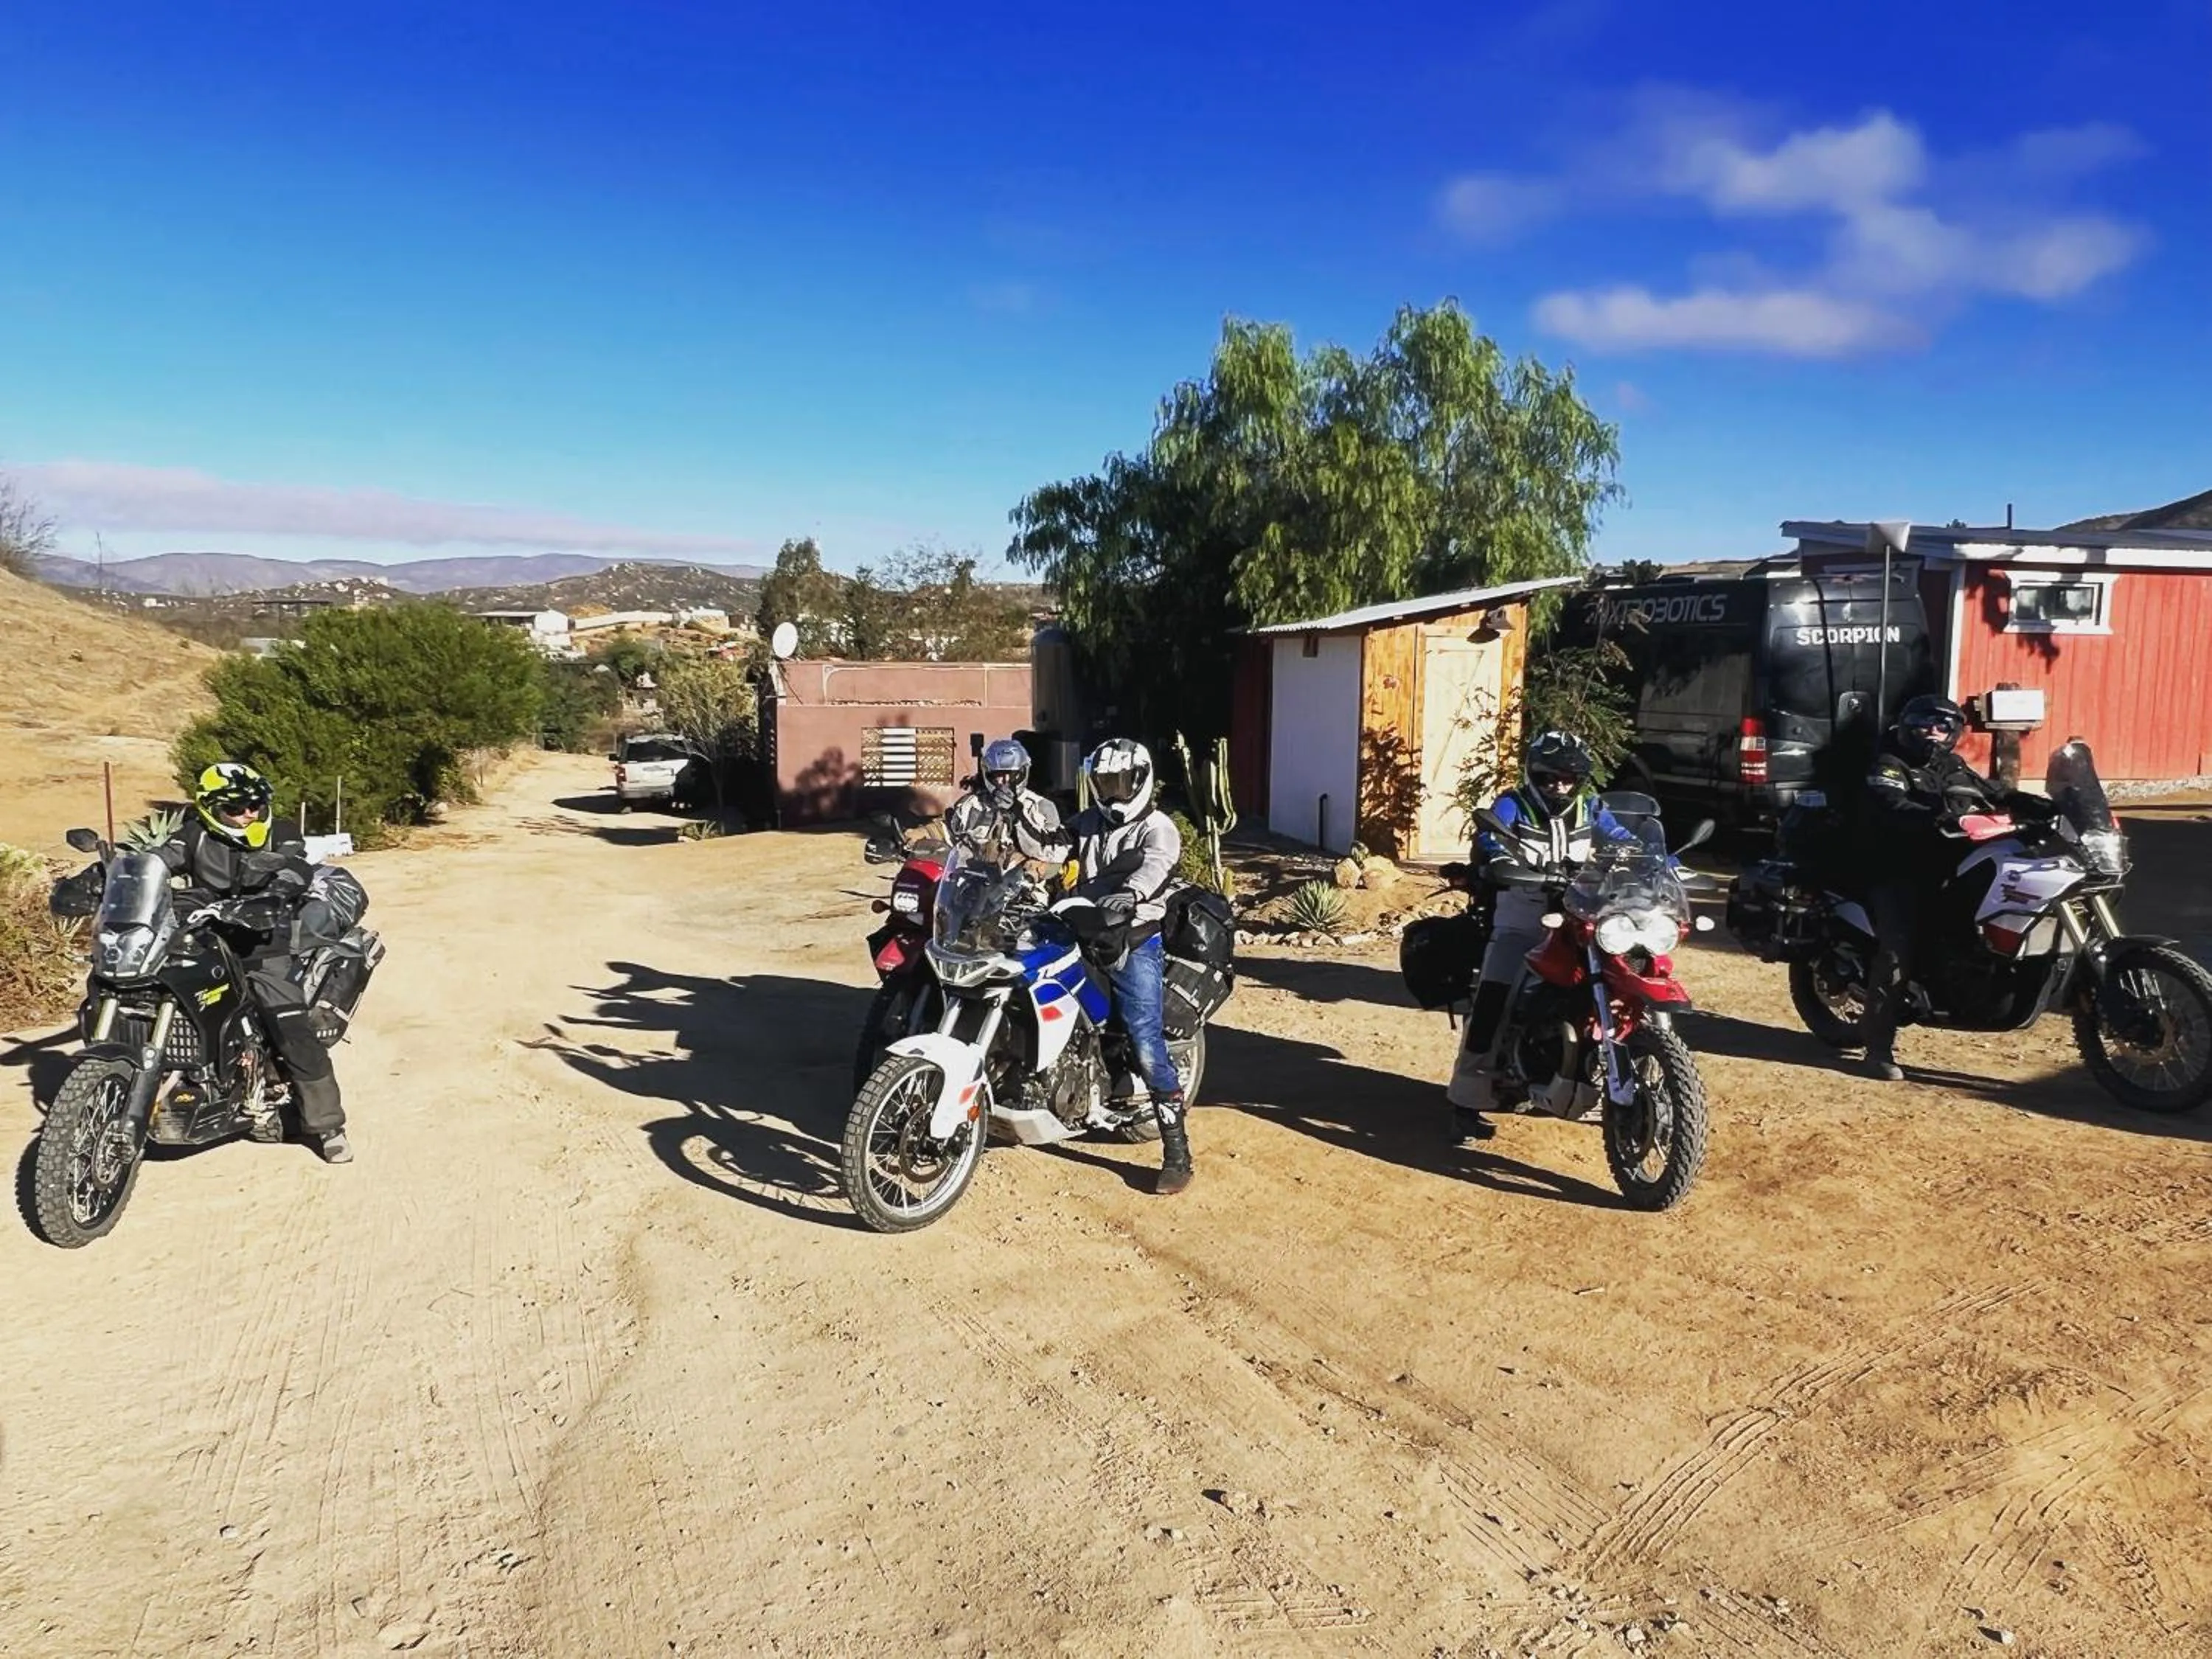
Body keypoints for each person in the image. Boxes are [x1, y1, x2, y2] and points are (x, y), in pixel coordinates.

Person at [151, 762, 355, 1163]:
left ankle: (327, 1124)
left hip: (264, 945)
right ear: (210, 809)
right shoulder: (193, 836)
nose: (250, 815)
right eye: (238, 808)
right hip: (206, 938)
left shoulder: (279, 833)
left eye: (256, 806)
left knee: (290, 1025)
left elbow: (296, 865)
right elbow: (158, 859)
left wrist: (279, 891)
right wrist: (102, 876)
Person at [1445, 731, 1630, 1142]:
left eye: (1568, 778)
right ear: (1533, 774)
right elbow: (1491, 838)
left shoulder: (1592, 808)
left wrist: (1656, 862)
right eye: (1550, 778)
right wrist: (1501, 860)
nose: (1559, 786)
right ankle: (1466, 1098)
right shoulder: (1513, 804)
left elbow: (1623, 840)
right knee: (1495, 1000)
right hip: (1522, 918)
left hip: (1582, 916)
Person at [1049, 738, 1192, 1195]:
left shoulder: (1159, 828)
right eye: (1103, 784)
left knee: (1146, 1040)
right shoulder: (1088, 822)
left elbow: (1156, 867)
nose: (1111, 793)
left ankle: (1177, 1153)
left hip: (1132, 938)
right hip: (1079, 926)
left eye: (1119, 783)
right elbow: (1055, 848)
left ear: (1140, 780)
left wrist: (1132, 894)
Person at [1855, 693, 2006, 1081]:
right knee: (1898, 951)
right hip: (1895, 868)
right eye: (1925, 724)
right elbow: (1891, 803)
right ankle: (1877, 1049)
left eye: (1943, 726)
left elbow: (1991, 792)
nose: (1933, 732)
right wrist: (1940, 818)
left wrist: (2041, 805)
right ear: (1908, 725)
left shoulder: (1950, 764)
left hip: (1945, 865)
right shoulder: (1889, 763)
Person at [945, 737, 1063, 863]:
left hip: (1024, 880)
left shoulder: (1042, 807)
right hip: (975, 879)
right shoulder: (972, 804)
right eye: (999, 775)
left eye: (1012, 774)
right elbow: (947, 834)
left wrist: (1018, 815)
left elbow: (1057, 853)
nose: (1005, 781)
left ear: (1023, 772)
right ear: (988, 774)